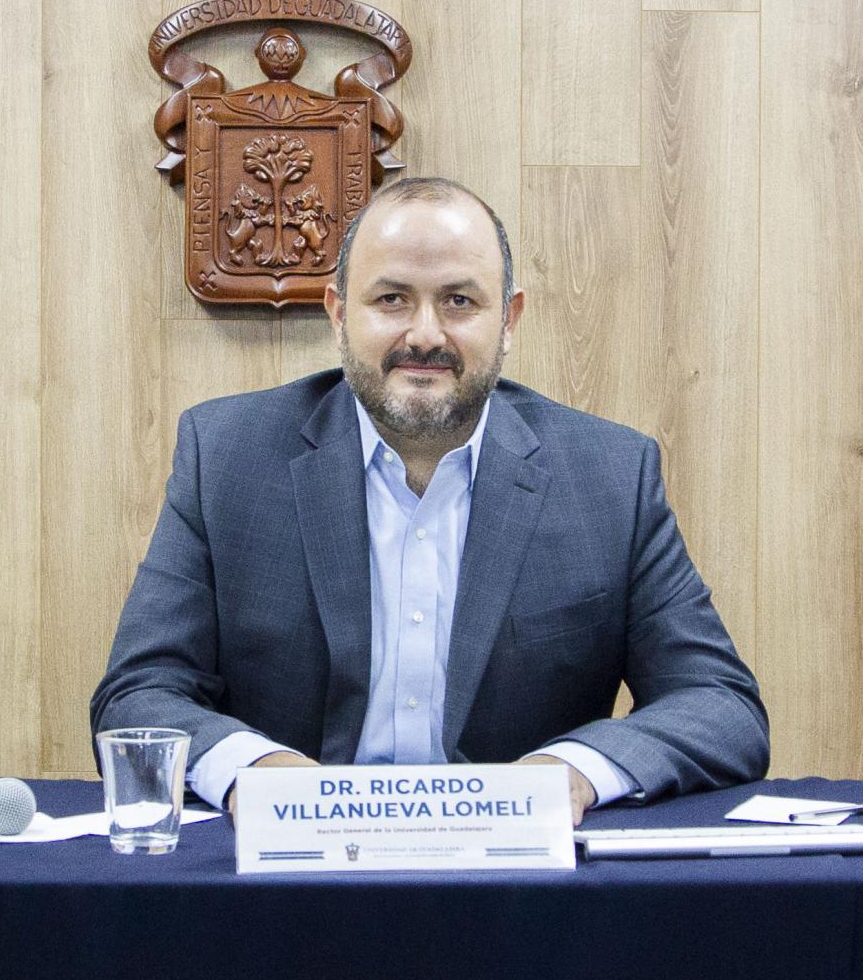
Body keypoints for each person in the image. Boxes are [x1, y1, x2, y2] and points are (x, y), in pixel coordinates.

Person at [91, 176, 766, 818]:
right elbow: (138, 695)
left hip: (517, 895)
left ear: (509, 318)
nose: (423, 334)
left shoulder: (609, 477)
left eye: (459, 301)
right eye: (390, 299)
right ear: (337, 312)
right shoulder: (228, 456)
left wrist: (577, 770)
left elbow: (719, 702)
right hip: (291, 885)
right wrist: (257, 770)